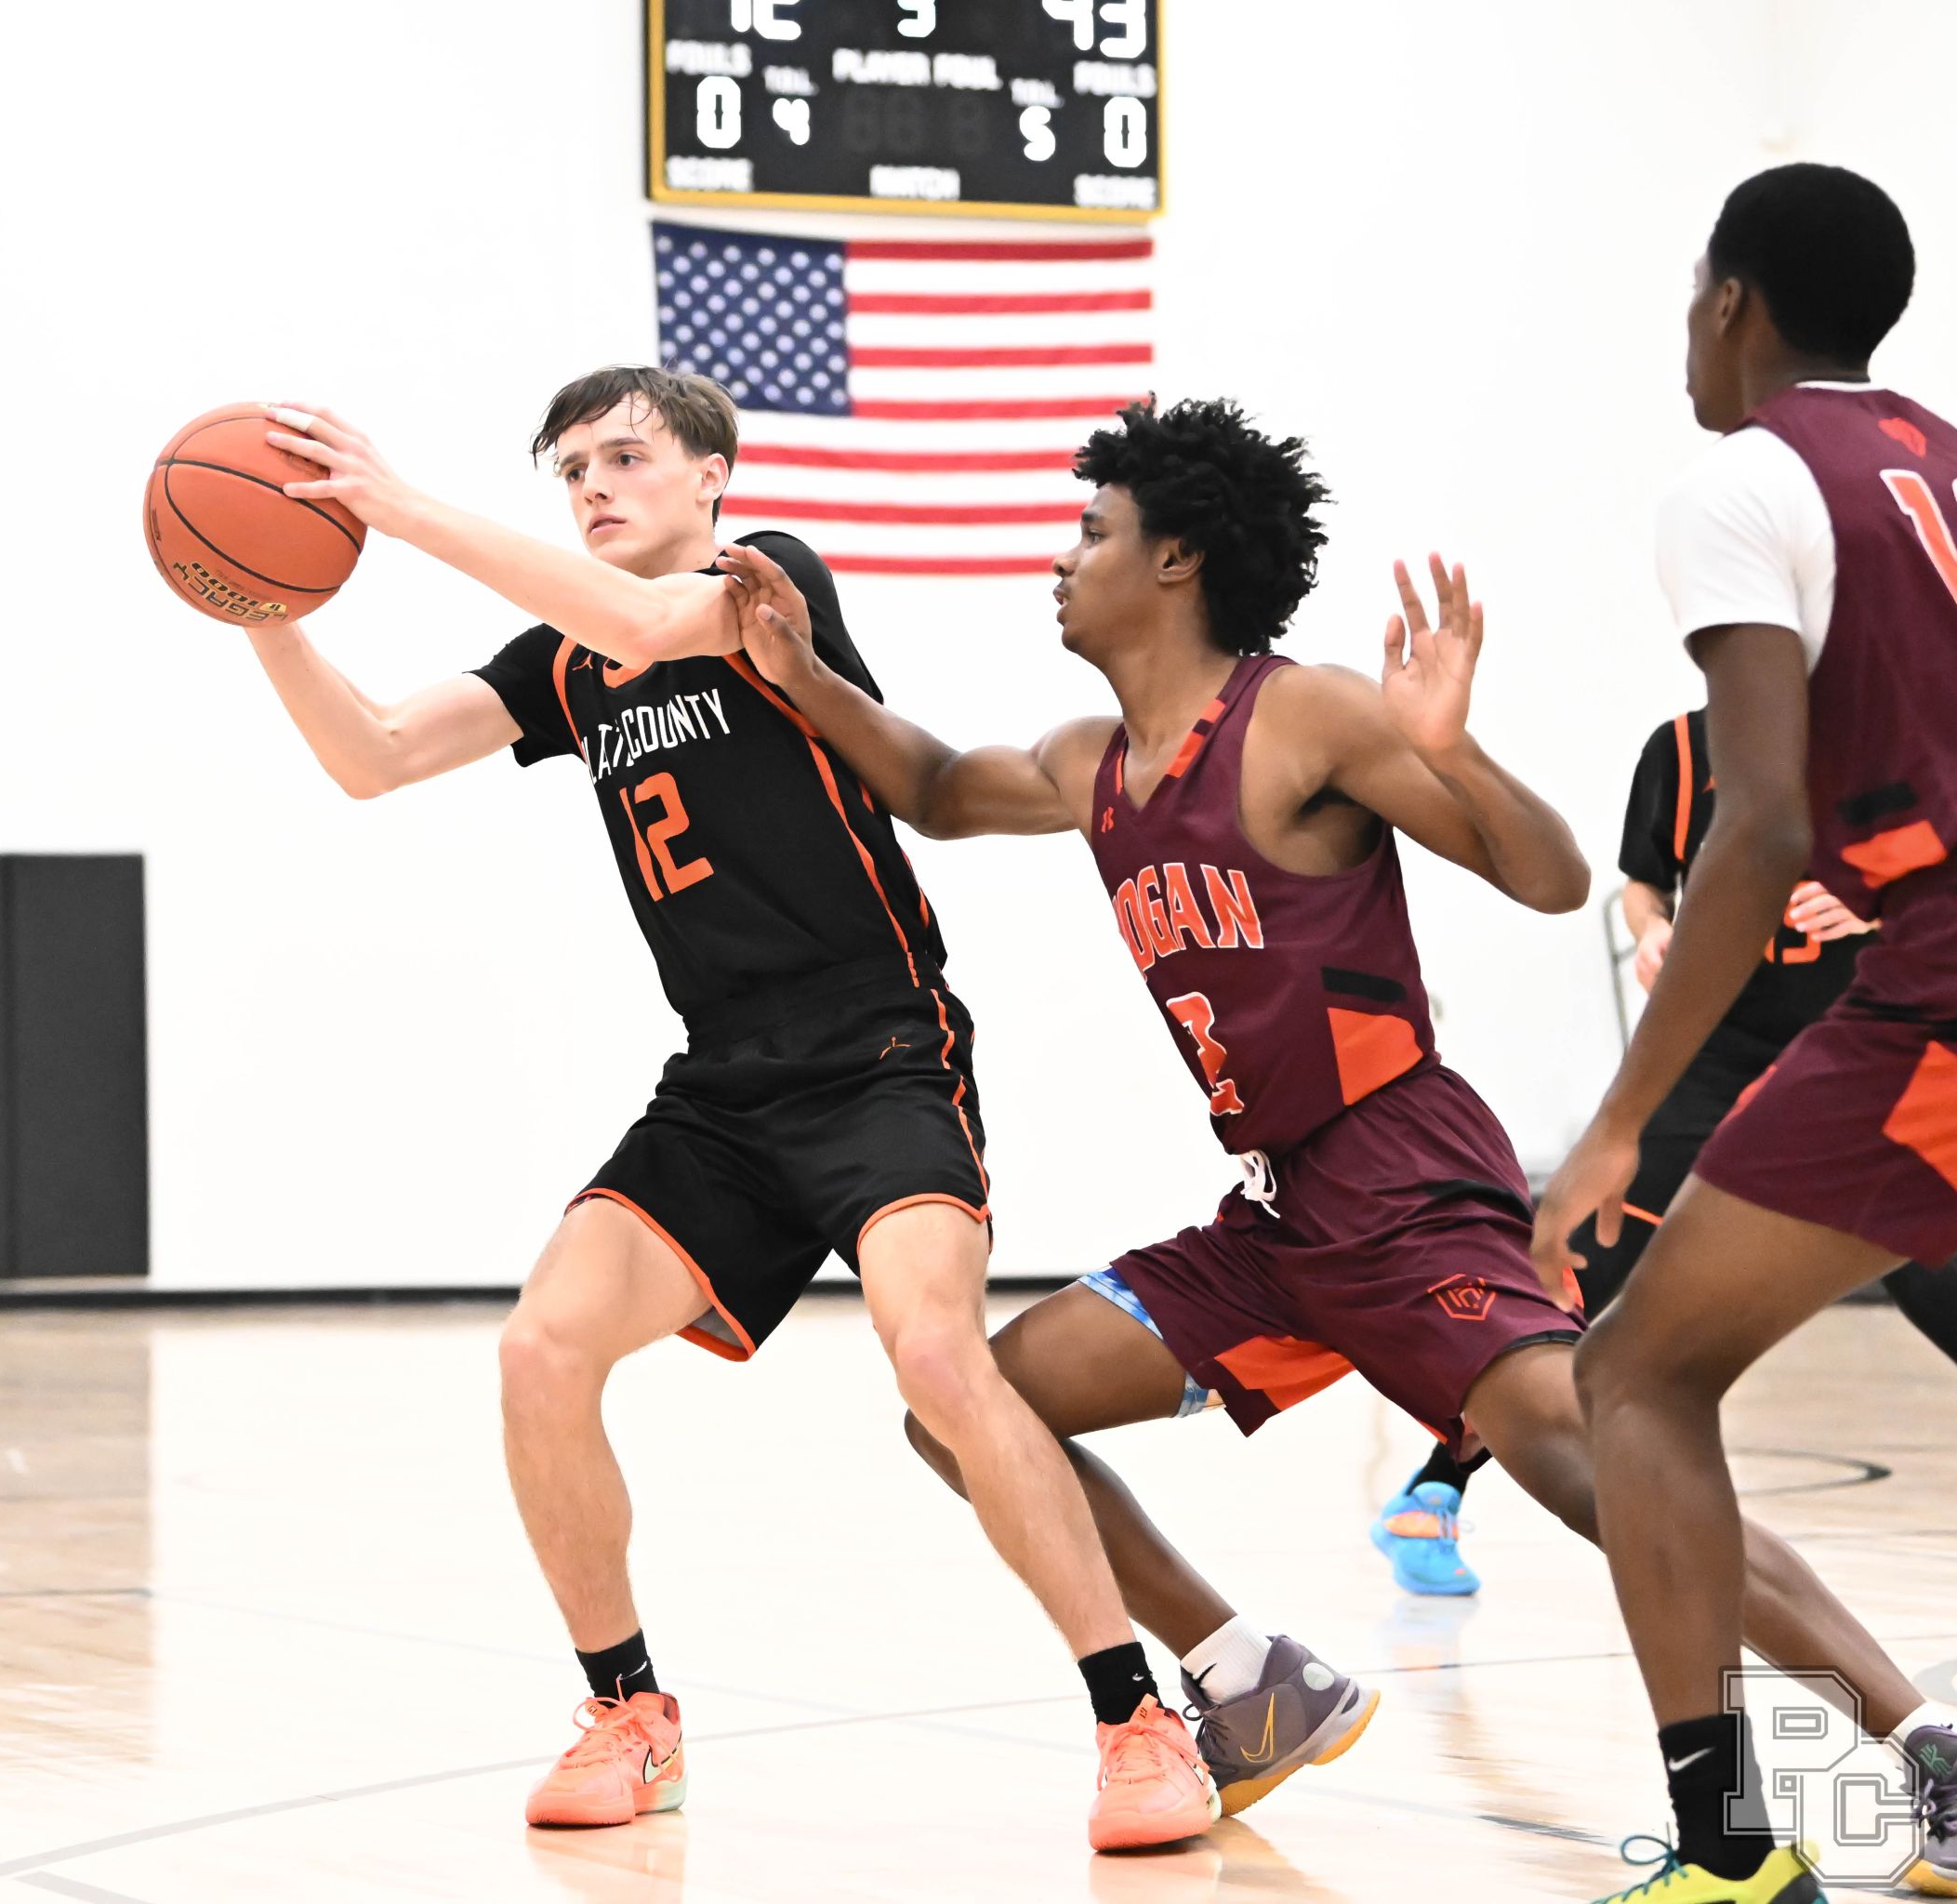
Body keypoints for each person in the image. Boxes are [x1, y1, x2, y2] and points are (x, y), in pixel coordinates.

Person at [719, 393, 1938, 1844]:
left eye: (1091, 532)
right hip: (1276, 1215)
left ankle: (1922, 1743)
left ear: (1176, 560)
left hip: (1402, 1178)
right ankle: (1252, 1677)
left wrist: (1453, 750)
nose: (1062, 558)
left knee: (1602, 1464)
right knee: (969, 1409)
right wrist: (800, 672)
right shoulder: (1086, 757)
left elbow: (1550, 878)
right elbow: (929, 786)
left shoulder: (1300, 717)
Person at [238, 365, 1217, 1851]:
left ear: (710, 475)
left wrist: (393, 505)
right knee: (541, 1349)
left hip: (881, 1050)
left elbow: (641, 622)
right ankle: (629, 1714)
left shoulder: (765, 585)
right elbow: (369, 756)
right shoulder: (565, 662)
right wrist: (264, 604)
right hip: (723, 1082)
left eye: (625, 457)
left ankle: (1136, 1723)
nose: (593, 486)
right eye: (572, 469)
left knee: (937, 1357)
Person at [1536, 163, 1957, 1901]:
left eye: (1691, 296)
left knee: (1634, 1371)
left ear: (1731, 302)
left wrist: (1620, 1120)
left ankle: (1727, 1850)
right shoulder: (1938, 454)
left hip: (1934, 993)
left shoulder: (1743, 480)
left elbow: (1760, 819)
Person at [1373, 709, 1957, 1601]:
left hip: (1864, 1055)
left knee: (1932, 1275)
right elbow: (1646, 887)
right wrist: (1652, 930)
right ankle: (1432, 1492)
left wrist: (1879, 900)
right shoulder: (1680, 751)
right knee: (1579, 1270)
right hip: (1711, 1055)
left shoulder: (1899, 740)